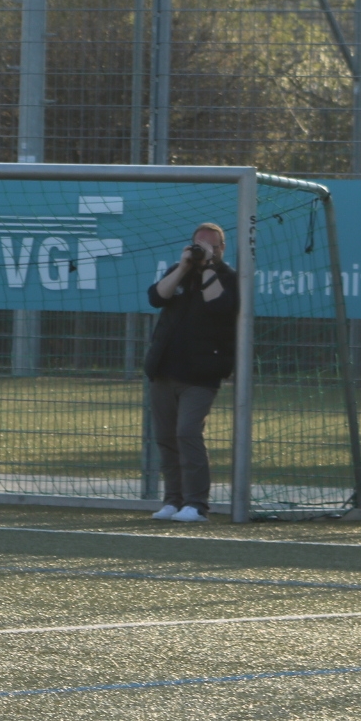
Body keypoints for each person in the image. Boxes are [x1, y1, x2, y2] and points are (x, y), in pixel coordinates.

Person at [143, 221, 239, 523]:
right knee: (166, 438)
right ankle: (173, 500)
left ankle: (197, 504)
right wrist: (185, 267)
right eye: (198, 244)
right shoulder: (178, 270)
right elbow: (157, 297)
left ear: (222, 248)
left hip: (201, 374)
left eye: (210, 245)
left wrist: (208, 265)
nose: (202, 249)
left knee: (187, 433)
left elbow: (221, 307)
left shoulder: (228, 277)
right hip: (165, 370)